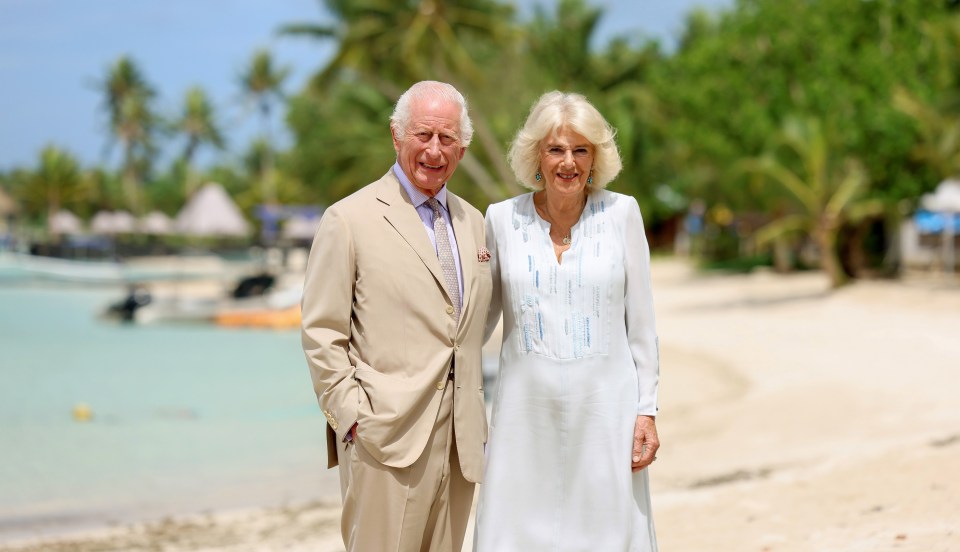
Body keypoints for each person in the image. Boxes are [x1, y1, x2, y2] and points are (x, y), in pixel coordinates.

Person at [301, 81, 493, 552]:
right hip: (384, 440)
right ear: (396, 136)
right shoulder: (348, 219)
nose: (434, 149)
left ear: (462, 148)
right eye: (423, 135)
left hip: (460, 443)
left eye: (447, 138)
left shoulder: (476, 222)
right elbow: (321, 332)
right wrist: (351, 419)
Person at [474, 91, 661, 551]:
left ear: (596, 157)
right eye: (556, 149)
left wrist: (648, 410)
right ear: (536, 154)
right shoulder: (500, 220)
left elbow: (642, 323)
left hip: (607, 412)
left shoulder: (623, 214)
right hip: (523, 415)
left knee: (606, 533)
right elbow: (476, 325)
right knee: (514, 533)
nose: (568, 162)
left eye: (581, 150)